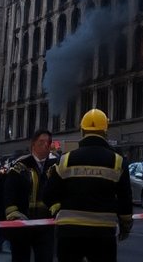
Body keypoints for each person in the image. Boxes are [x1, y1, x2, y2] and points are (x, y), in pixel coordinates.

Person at [43, 109, 132, 262]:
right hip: (103, 234)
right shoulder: (117, 162)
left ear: (82, 130)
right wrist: (125, 225)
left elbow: (48, 194)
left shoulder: (65, 159)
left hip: (69, 232)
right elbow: (125, 200)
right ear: (105, 131)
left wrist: (57, 209)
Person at [5, 129, 58, 262]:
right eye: (41, 142)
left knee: (45, 257)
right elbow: (9, 191)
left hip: (46, 224)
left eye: (48, 142)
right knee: (20, 258)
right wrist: (13, 212)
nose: (46, 145)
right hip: (22, 222)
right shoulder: (20, 165)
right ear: (33, 144)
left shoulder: (56, 166)